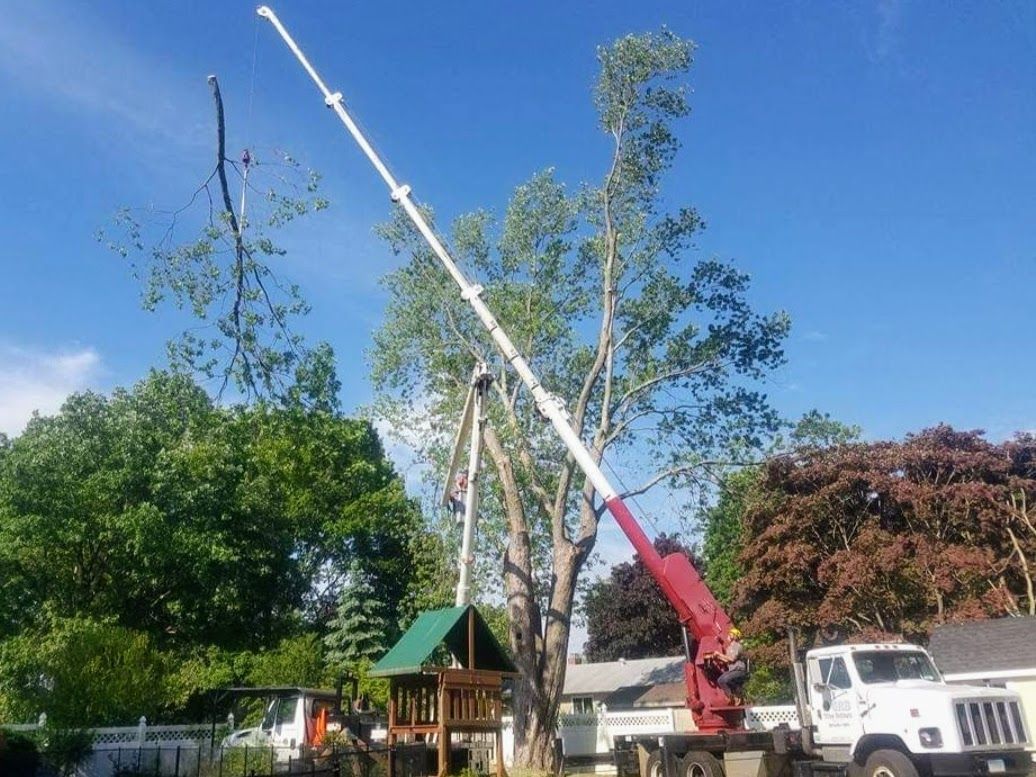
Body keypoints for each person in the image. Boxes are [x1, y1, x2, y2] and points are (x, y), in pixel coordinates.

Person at [707, 627, 749, 703]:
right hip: (733, 671)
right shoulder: (729, 648)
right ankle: (732, 697)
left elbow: (731, 659)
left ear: (734, 636)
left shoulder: (737, 646)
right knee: (720, 680)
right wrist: (717, 658)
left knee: (725, 680)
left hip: (739, 670)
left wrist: (719, 654)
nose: (728, 636)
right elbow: (726, 660)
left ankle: (737, 696)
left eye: (729, 634)